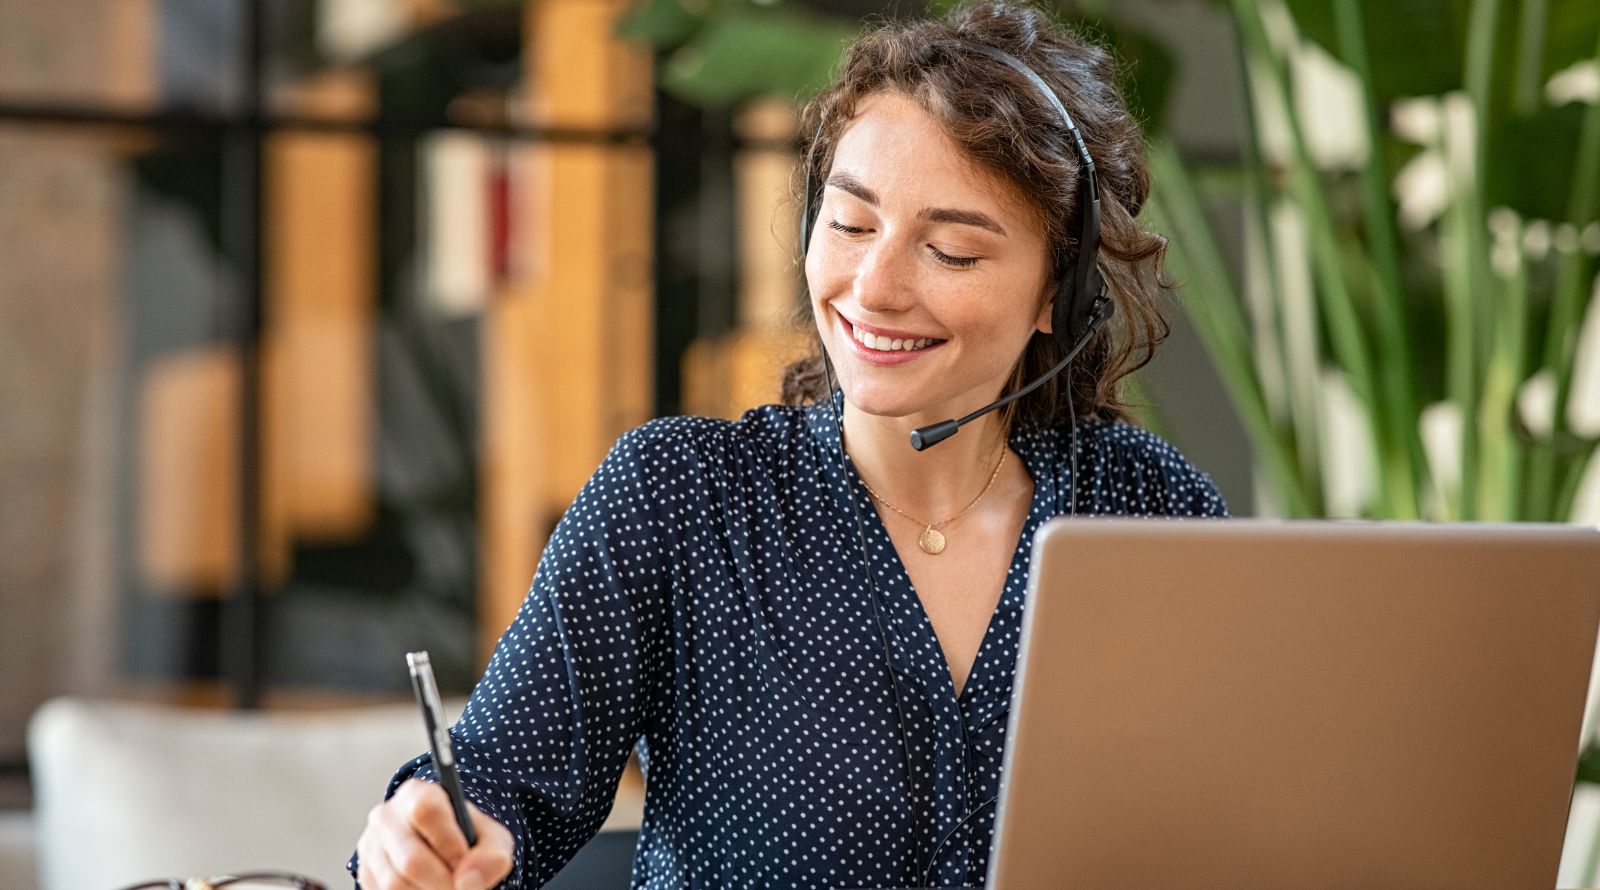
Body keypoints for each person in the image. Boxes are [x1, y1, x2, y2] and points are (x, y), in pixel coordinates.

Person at [352, 2, 1226, 887]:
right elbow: (491, 793)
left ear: (1059, 295)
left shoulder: (1149, 509)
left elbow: (1243, 817)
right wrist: (421, 840)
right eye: (849, 225)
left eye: (953, 251)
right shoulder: (680, 498)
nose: (873, 288)